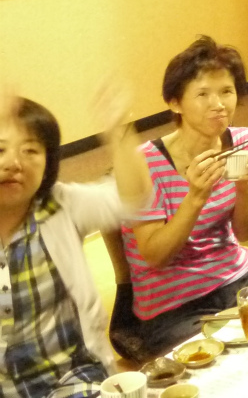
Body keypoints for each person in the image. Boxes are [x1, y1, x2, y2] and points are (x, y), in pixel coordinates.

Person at [119, 36, 248, 358]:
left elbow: (245, 232)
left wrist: (243, 187)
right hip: (172, 304)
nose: (218, 104)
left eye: (226, 91)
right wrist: (195, 197)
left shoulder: (244, 142)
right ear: (175, 103)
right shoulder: (143, 164)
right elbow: (154, 256)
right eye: (203, 94)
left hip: (237, 276)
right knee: (222, 361)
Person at [0, 86, 148, 396]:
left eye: (30, 150)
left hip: (72, 379)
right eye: (0, 149)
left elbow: (132, 199)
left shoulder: (60, 205)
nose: (14, 162)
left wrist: (119, 130)